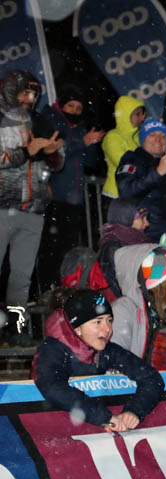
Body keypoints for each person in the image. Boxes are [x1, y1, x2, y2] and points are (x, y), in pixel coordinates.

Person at [32, 289, 164, 431]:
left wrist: (134, 411)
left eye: (109, 320)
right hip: (50, 432)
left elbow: (151, 378)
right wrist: (103, 416)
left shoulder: (106, 350)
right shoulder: (51, 350)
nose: (108, 329)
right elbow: (52, 387)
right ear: (77, 328)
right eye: (98, 322)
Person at [1, 70, 63, 334]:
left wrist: (51, 155)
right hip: (2, 209)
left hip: (33, 211)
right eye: (25, 92)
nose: (30, 98)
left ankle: (17, 332)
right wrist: (27, 151)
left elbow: (58, 160)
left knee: (22, 278)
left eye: (34, 94)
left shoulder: (41, 121)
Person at [36, 83, 104, 297]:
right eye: (71, 106)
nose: (74, 111)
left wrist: (91, 143)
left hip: (75, 200)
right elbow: (56, 153)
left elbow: (90, 160)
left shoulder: (80, 127)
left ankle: (62, 290)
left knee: (67, 249)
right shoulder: (51, 121)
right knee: (49, 249)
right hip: (54, 197)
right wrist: (81, 142)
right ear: (61, 104)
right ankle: (45, 290)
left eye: (78, 108)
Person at [114, 117, 166, 239]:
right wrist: (157, 173)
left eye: (163, 136)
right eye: (152, 134)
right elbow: (126, 191)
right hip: (145, 233)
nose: (158, 139)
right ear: (143, 139)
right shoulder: (131, 159)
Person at [100, 94, 144, 199]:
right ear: (125, 115)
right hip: (115, 194)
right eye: (137, 114)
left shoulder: (139, 136)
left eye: (143, 114)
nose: (142, 118)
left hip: (134, 193)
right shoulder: (112, 137)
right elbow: (123, 163)